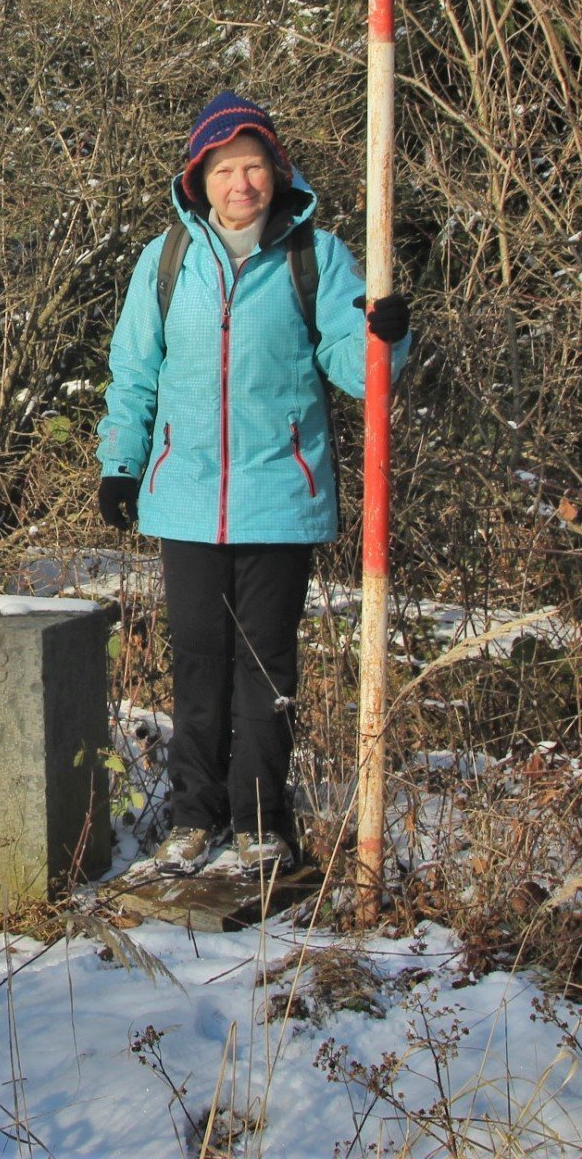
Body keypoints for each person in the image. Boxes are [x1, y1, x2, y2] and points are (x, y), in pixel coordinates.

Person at [95, 90, 410, 876]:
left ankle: (263, 824)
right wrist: (121, 463)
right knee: (199, 665)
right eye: (227, 169)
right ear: (199, 180)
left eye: (256, 166)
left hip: (281, 497)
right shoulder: (165, 261)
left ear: (278, 173)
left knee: (267, 670)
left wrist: (384, 340)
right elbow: (134, 371)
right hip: (188, 497)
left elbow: (354, 371)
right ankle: (195, 818)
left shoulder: (316, 257)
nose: (244, 183)